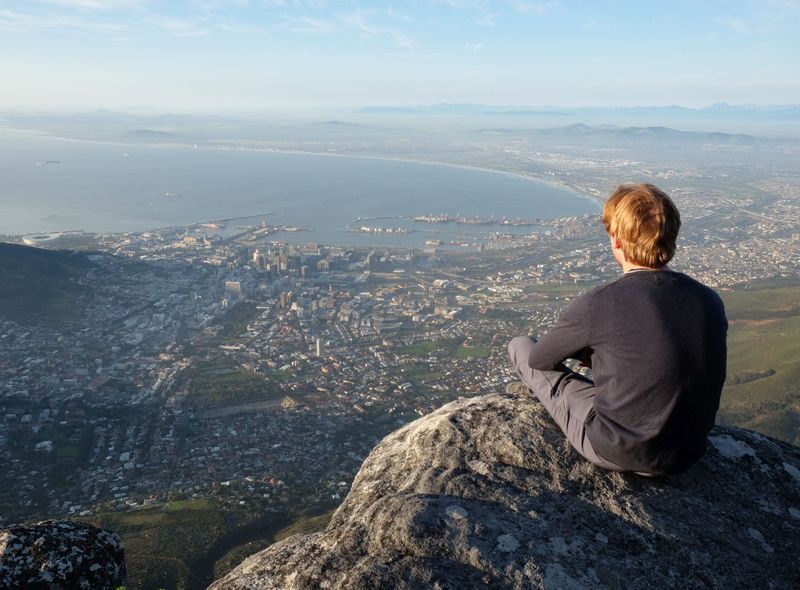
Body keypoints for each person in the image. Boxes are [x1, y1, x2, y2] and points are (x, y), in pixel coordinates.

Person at [507, 183, 727, 476]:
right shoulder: (709, 299)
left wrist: (589, 355)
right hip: (686, 455)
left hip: (619, 450)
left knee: (521, 346)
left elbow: (540, 361)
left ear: (618, 242)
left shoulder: (601, 302)